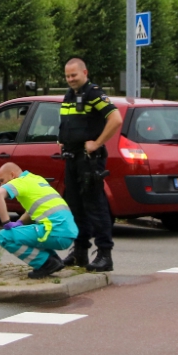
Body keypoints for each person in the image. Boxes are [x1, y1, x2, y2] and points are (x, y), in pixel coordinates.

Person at [58, 58, 122, 272]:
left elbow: (115, 118)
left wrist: (97, 143)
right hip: (72, 158)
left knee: (96, 207)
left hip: (89, 161)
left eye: (74, 75)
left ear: (84, 72)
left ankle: (105, 254)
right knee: (76, 207)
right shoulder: (70, 95)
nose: (70, 79)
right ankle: (80, 251)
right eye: (67, 76)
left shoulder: (93, 93)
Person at [0, 162, 79, 279]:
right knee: (28, 232)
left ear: (13, 175)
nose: (1, 185)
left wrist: (6, 222)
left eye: (2, 180)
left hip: (55, 231)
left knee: (4, 236)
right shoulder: (36, 179)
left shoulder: (19, 182)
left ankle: (46, 263)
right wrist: (20, 223)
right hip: (67, 233)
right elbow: (32, 209)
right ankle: (53, 260)